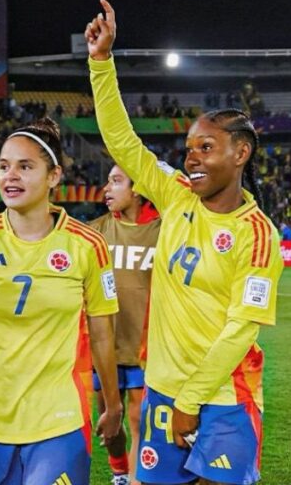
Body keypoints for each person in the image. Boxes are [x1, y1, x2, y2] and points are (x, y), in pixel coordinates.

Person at [86, 0, 281, 485]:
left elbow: (241, 330)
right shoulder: (176, 198)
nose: (192, 158)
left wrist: (191, 402)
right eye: (189, 148)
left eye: (206, 148)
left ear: (241, 153)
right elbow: (122, 141)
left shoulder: (256, 235)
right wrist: (101, 63)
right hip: (162, 390)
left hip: (224, 399)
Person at [0, 119, 122, 485]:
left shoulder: (88, 246)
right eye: (4, 166)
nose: (11, 176)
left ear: (53, 176)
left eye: (25, 167)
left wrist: (113, 405)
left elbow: (102, 336)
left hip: (60, 422)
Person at [88, 165, 162, 485]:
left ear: (138, 188)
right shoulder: (96, 231)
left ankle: (134, 478)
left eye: (116, 181)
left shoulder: (165, 230)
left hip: (145, 346)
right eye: (107, 180)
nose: (107, 188)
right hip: (103, 345)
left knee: (138, 420)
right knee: (108, 420)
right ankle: (119, 471)